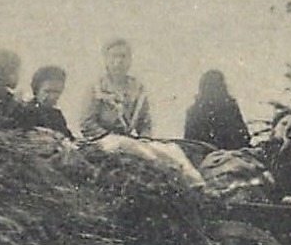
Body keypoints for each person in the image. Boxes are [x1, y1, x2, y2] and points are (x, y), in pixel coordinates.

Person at [79, 38, 203, 185]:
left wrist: (145, 137)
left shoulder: (137, 88)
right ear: (106, 59)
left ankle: (195, 181)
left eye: (123, 56)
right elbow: (86, 122)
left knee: (171, 149)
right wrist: (108, 136)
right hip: (104, 140)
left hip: (130, 140)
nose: (118, 61)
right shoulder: (96, 88)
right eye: (114, 56)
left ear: (130, 59)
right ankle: (174, 177)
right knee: (144, 154)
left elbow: (145, 121)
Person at [183, 69, 250, 151]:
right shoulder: (230, 107)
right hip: (229, 156)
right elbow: (244, 138)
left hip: (206, 157)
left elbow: (189, 143)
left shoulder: (193, 112)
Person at [13, 65, 72, 138]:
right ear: (37, 90)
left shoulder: (56, 116)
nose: (52, 96)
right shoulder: (25, 112)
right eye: (47, 91)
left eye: (56, 92)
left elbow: (69, 139)